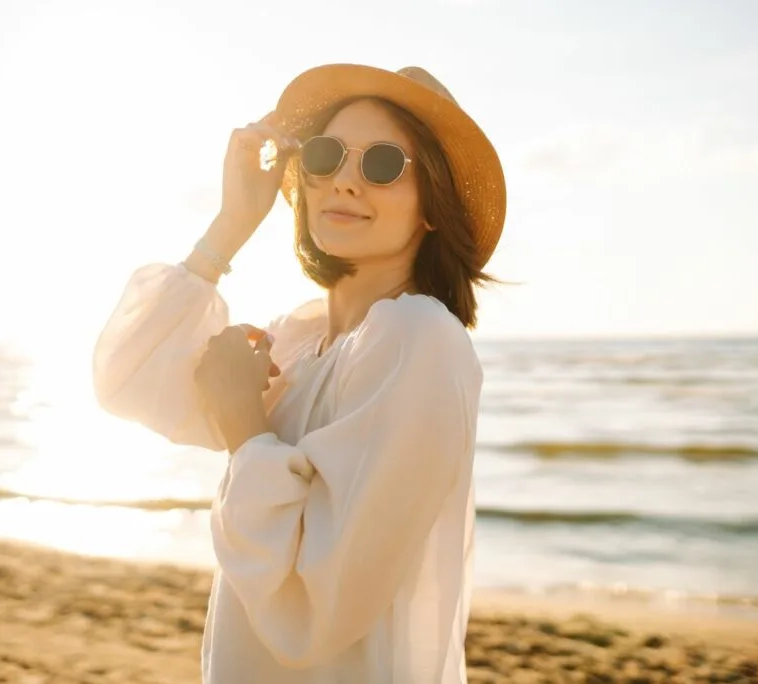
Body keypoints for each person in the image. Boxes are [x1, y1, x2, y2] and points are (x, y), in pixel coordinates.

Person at [92, 63, 507, 683]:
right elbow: (125, 379)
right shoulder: (305, 336)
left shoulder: (418, 340)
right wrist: (231, 225)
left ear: (432, 206)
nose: (344, 180)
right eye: (325, 154)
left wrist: (243, 422)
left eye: (383, 164)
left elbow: (315, 608)